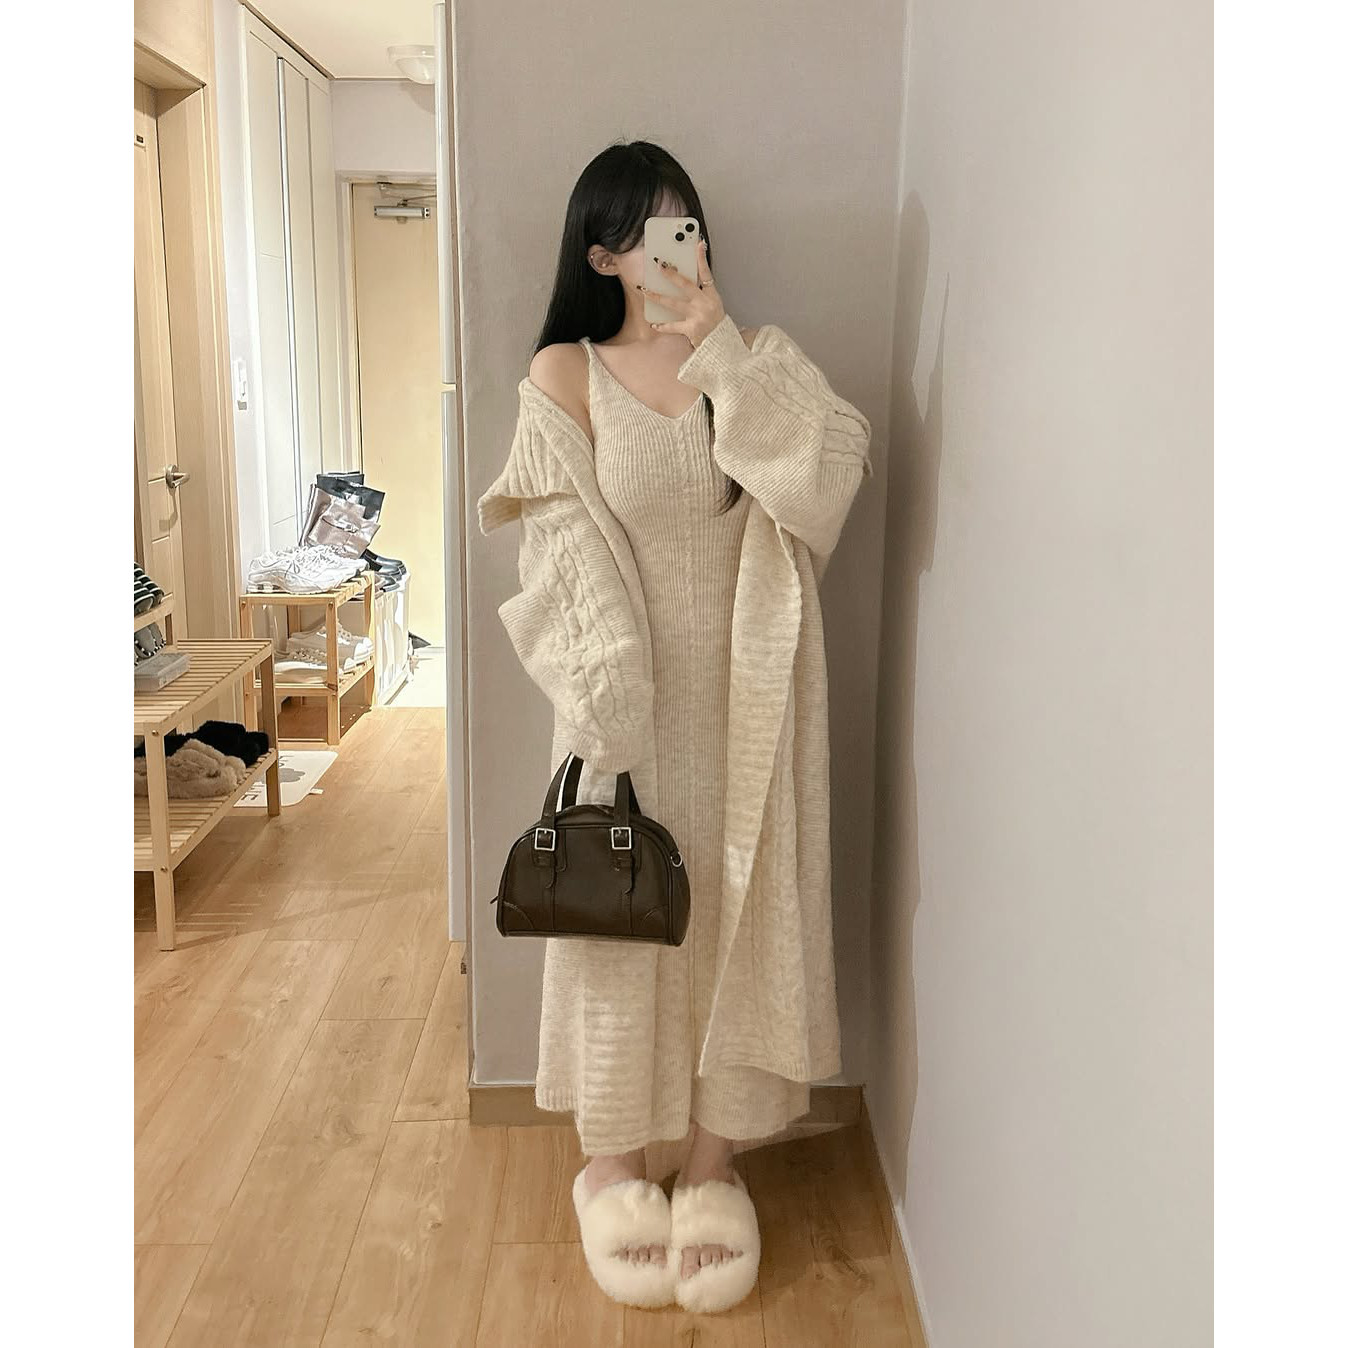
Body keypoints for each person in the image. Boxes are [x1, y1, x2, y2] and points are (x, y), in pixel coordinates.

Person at [477, 139, 872, 1312]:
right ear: (603, 254)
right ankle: (608, 1167)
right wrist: (608, 692)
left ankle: (710, 1167)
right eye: (649, 229)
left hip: (749, 705)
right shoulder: (565, 372)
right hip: (622, 713)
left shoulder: (752, 359)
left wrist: (721, 349)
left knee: (739, 930)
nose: (674, 246)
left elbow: (825, 483)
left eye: (685, 222)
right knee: (620, 936)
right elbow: (555, 535)